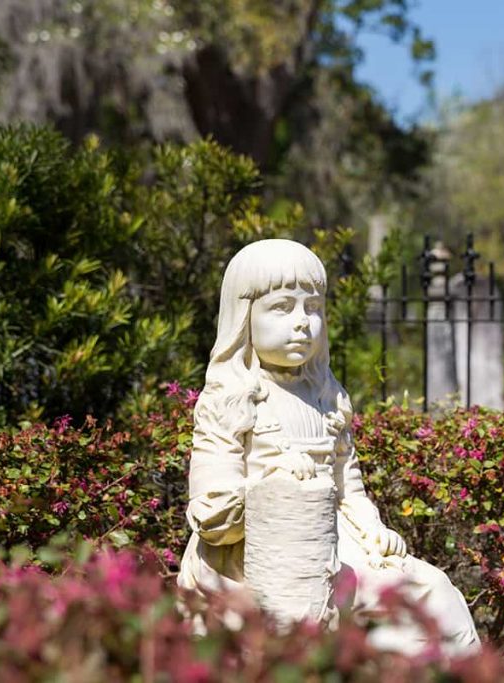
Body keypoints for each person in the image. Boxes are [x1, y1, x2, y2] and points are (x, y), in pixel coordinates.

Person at [177, 238, 479, 654]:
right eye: (282, 307)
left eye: (313, 308)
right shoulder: (230, 398)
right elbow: (212, 512)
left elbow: (348, 485)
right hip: (251, 556)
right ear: (244, 315)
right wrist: (275, 487)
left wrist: (373, 530)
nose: (302, 322)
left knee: (436, 592)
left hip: (337, 542)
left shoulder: (327, 397)